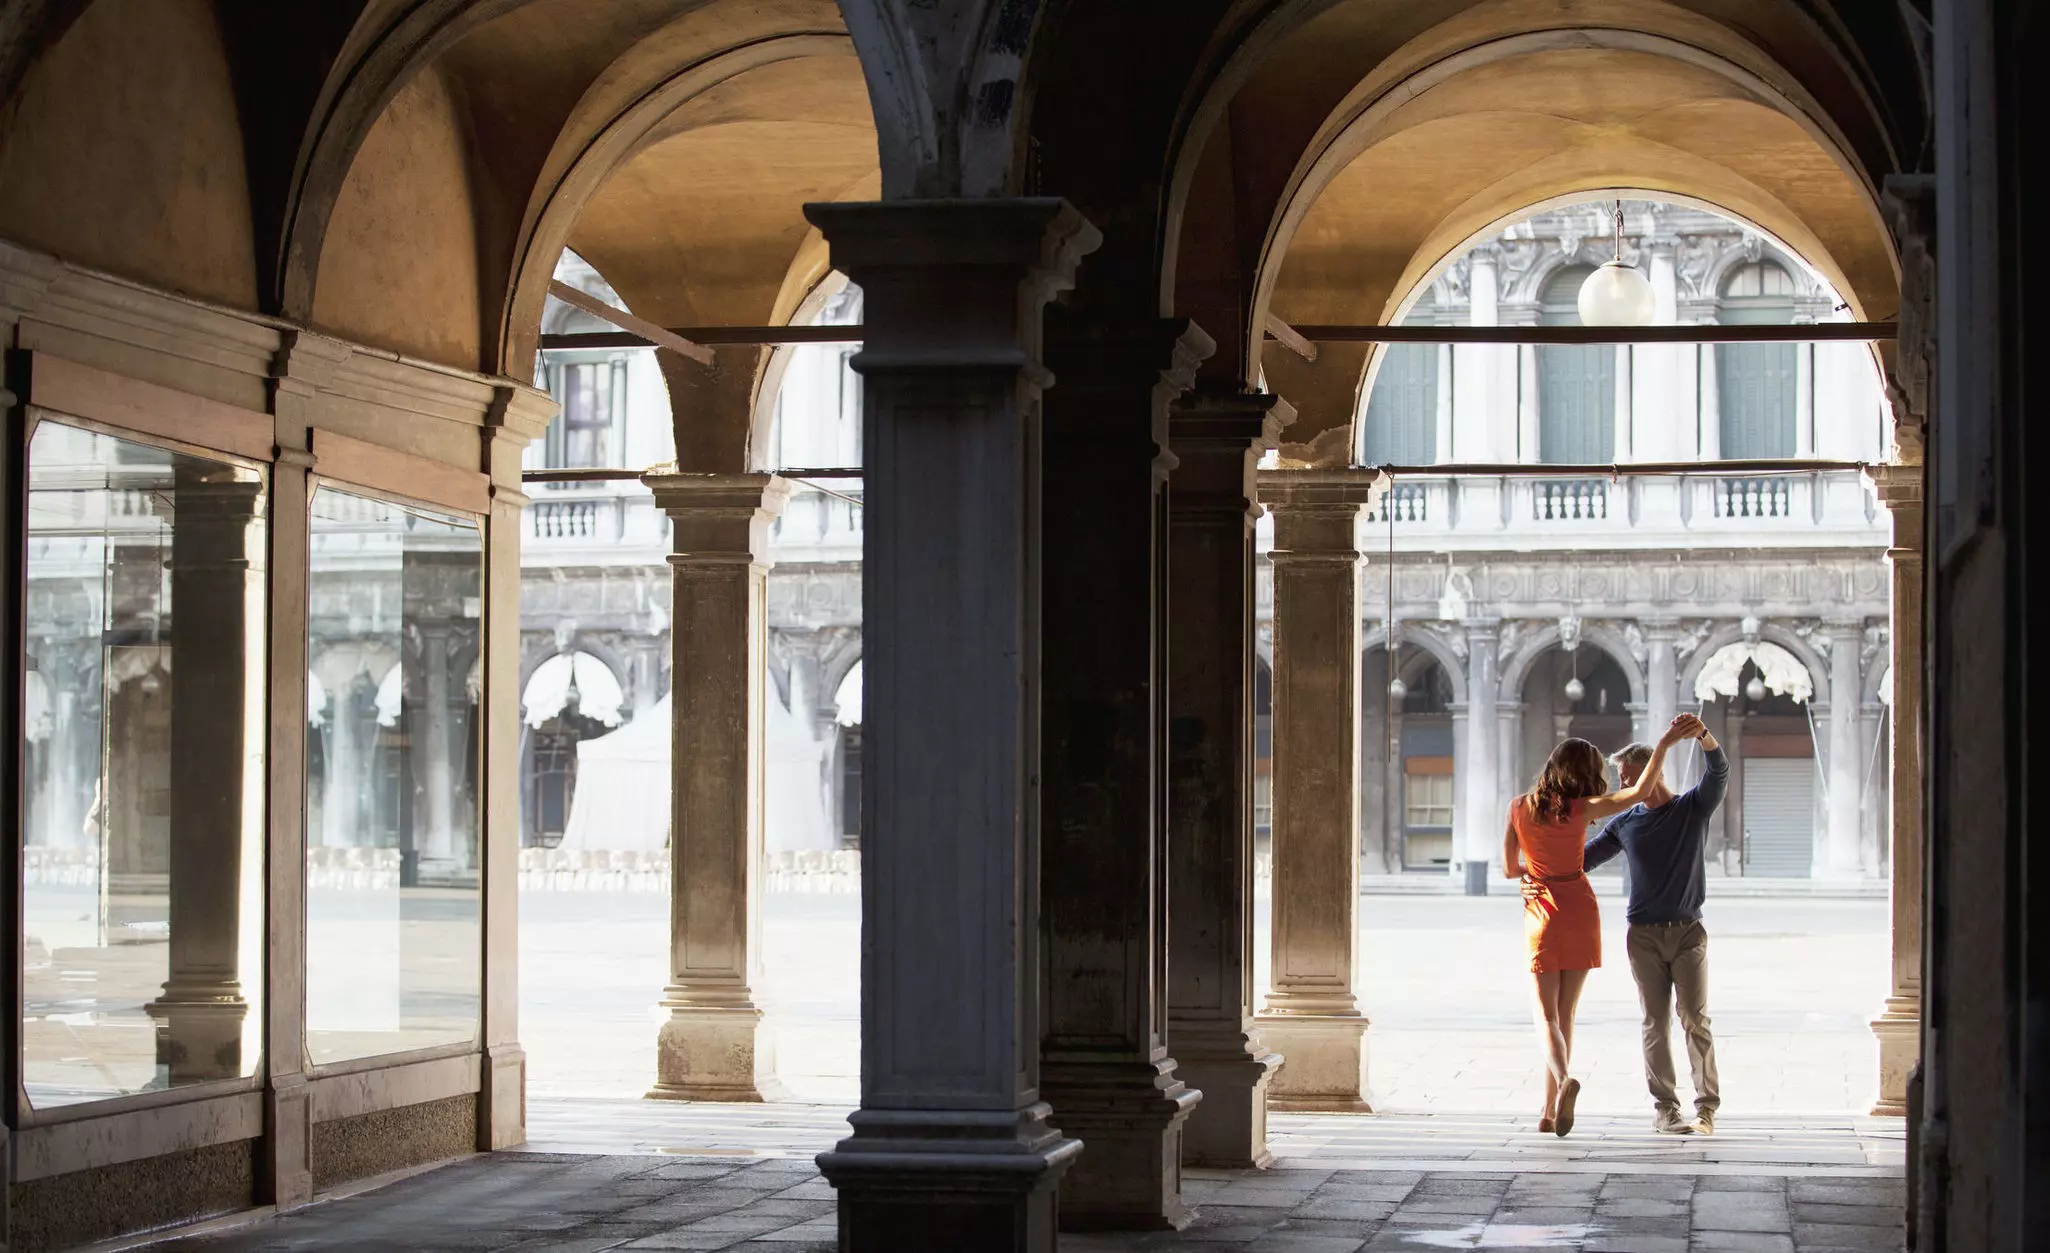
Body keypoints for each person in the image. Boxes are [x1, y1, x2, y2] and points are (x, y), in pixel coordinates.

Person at [1503, 718, 1691, 1137]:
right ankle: (1549, 1111)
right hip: (1581, 909)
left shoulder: (1518, 807)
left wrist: (1530, 875)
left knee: (1545, 1017)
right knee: (1566, 1015)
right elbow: (1641, 792)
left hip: (1543, 912)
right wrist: (1664, 744)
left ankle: (1565, 1080)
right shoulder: (1582, 809)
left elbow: (1506, 869)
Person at [1579, 713, 1729, 1136]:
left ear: (1653, 771)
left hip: (1687, 933)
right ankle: (1666, 1109)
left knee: (1695, 1020)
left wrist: (1703, 734)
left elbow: (1719, 772)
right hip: (1642, 936)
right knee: (1654, 1022)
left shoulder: (1691, 809)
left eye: (1629, 776)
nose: (1624, 786)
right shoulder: (1625, 822)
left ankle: (1706, 1110)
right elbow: (1584, 860)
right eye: (1622, 778)